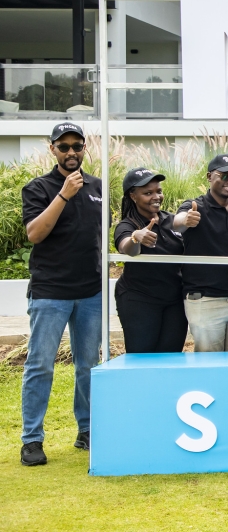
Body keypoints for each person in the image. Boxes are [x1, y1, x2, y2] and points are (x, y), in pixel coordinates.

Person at [19, 122, 102, 466]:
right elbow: (35, 234)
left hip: (90, 293)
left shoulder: (98, 187)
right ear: (52, 148)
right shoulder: (38, 187)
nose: (71, 152)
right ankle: (32, 439)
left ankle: (87, 430)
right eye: (64, 146)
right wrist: (64, 194)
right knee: (40, 365)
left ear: (85, 148)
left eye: (77, 146)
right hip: (50, 292)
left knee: (88, 366)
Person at [172, 154, 228, 352]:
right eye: (224, 176)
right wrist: (186, 220)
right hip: (206, 300)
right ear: (209, 176)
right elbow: (177, 222)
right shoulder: (195, 206)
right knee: (209, 364)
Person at [114, 168, 187, 354]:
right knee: (142, 356)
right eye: (148, 193)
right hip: (139, 299)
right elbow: (126, 247)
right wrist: (135, 238)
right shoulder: (127, 225)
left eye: (158, 191)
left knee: (171, 356)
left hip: (174, 300)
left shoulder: (170, 220)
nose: (156, 196)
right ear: (133, 196)